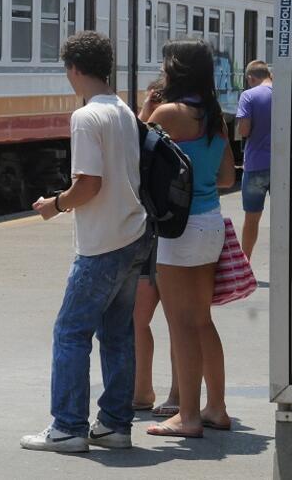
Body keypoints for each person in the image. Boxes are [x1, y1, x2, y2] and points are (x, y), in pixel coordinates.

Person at [22, 31, 152, 453]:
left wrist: (54, 205)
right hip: (134, 235)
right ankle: (115, 425)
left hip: (101, 243)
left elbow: (89, 185)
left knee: (70, 332)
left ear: (74, 69)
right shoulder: (125, 112)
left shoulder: (86, 117)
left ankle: (68, 427)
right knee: (117, 335)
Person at [146, 39, 235, 438]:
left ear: (175, 70)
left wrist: (148, 107)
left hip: (178, 229)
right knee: (201, 320)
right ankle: (216, 408)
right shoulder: (215, 117)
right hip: (211, 222)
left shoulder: (168, 113)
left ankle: (188, 416)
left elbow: (135, 149)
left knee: (180, 324)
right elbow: (228, 177)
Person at [133, 77, 179, 418]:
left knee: (139, 319)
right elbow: (225, 178)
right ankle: (178, 394)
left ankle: (142, 390)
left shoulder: (151, 133)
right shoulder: (205, 123)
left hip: (153, 233)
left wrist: (147, 110)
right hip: (187, 229)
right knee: (182, 322)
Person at [237, 59, 272, 259]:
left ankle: (246, 263)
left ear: (250, 78)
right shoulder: (283, 92)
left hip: (256, 165)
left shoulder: (248, 96)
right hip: (282, 165)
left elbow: (244, 130)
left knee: (252, 218)